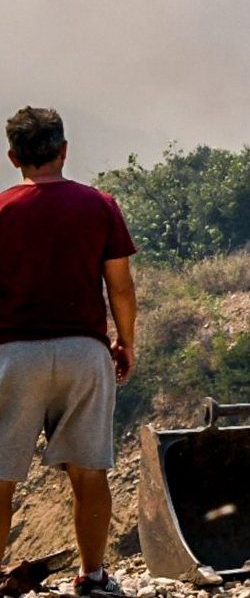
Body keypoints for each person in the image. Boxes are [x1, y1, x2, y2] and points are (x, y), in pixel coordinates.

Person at [0, 107, 137, 597]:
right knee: (88, 470)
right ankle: (93, 577)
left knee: (1, 476)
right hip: (84, 352)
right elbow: (120, 287)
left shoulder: (2, 210)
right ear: (64, 150)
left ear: (13, 157)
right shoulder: (99, 205)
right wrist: (125, 342)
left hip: (13, 355)